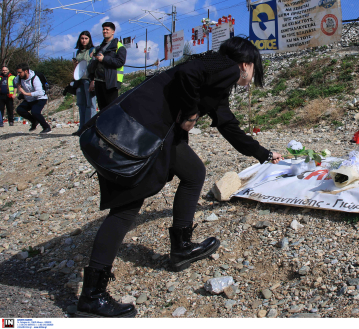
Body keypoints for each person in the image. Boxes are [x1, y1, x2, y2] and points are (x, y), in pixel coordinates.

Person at [75, 37, 283, 318]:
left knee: (194, 172)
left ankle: (182, 247)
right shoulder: (227, 68)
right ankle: (92, 296)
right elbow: (187, 76)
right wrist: (190, 112)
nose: (250, 76)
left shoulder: (214, 75)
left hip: (153, 132)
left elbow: (228, 125)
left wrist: (265, 154)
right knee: (125, 208)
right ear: (245, 64)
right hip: (140, 133)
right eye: (253, 68)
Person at [87, 22, 126, 110]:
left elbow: (120, 62)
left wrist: (104, 59)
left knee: (111, 109)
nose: (104, 31)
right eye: (103, 29)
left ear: (113, 32)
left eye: (107, 29)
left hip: (111, 83)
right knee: (102, 109)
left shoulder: (119, 47)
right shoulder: (99, 48)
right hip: (99, 82)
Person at [14, 63, 51, 134]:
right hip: (29, 99)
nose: (18, 74)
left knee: (35, 112)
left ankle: (46, 127)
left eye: (20, 72)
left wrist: (25, 93)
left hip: (39, 98)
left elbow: (40, 92)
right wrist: (19, 86)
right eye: (17, 72)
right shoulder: (19, 77)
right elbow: (15, 81)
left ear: (26, 71)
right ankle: (34, 121)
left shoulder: (35, 78)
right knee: (20, 110)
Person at [73, 31, 97, 133]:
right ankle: (81, 128)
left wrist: (93, 80)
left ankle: (89, 127)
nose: (84, 40)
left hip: (89, 79)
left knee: (90, 104)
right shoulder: (78, 52)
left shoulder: (92, 50)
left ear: (89, 39)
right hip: (79, 80)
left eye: (86, 38)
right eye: (82, 38)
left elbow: (96, 66)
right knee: (81, 104)